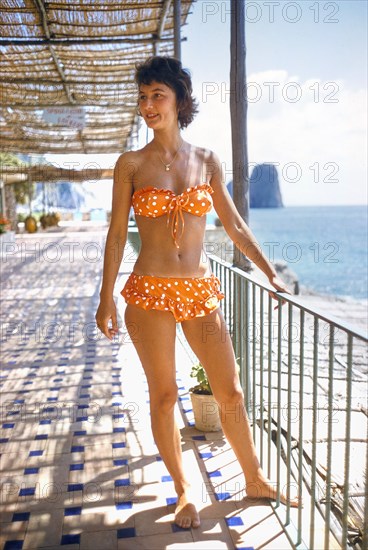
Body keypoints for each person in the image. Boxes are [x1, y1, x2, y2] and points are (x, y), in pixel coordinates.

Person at [95, 56, 298, 529]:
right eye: (142, 97)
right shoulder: (130, 164)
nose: (147, 106)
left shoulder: (206, 160)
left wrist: (270, 273)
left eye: (157, 95)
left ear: (180, 100)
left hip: (199, 292)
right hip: (148, 294)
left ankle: (255, 478)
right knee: (164, 397)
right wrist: (105, 297)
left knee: (230, 390)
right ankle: (185, 490)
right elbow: (115, 235)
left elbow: (234, 224)